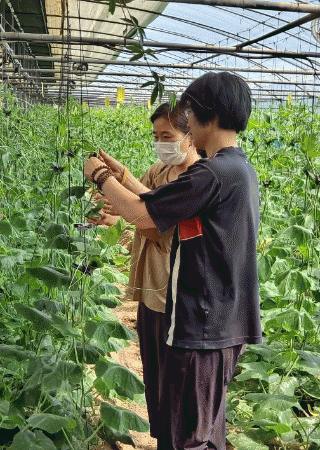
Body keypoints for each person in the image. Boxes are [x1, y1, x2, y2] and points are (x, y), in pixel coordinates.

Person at [84, 72, 262, 450]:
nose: (188, 123)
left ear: (209, 115)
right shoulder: (238, 170)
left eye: (190, 114)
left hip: (203, 324)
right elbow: (156, 207)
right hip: (221, 323)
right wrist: (123, 179)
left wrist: (99, 176)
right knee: (195, 428)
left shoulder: (212, 174)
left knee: (189, 437)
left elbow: (141, 215)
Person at [90, 103, 200, 441]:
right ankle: (165, 437)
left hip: (176, 294)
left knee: (176, 380)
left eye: (168, 136)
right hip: (151, 290)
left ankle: (180, 439)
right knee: (155, 375)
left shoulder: (198, 180)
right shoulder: (158, 171)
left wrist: (108, 181)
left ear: (191, 135)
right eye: (156, 136)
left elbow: (154, 225)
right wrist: (120, 194)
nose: (161, 143)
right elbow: (145, 206)